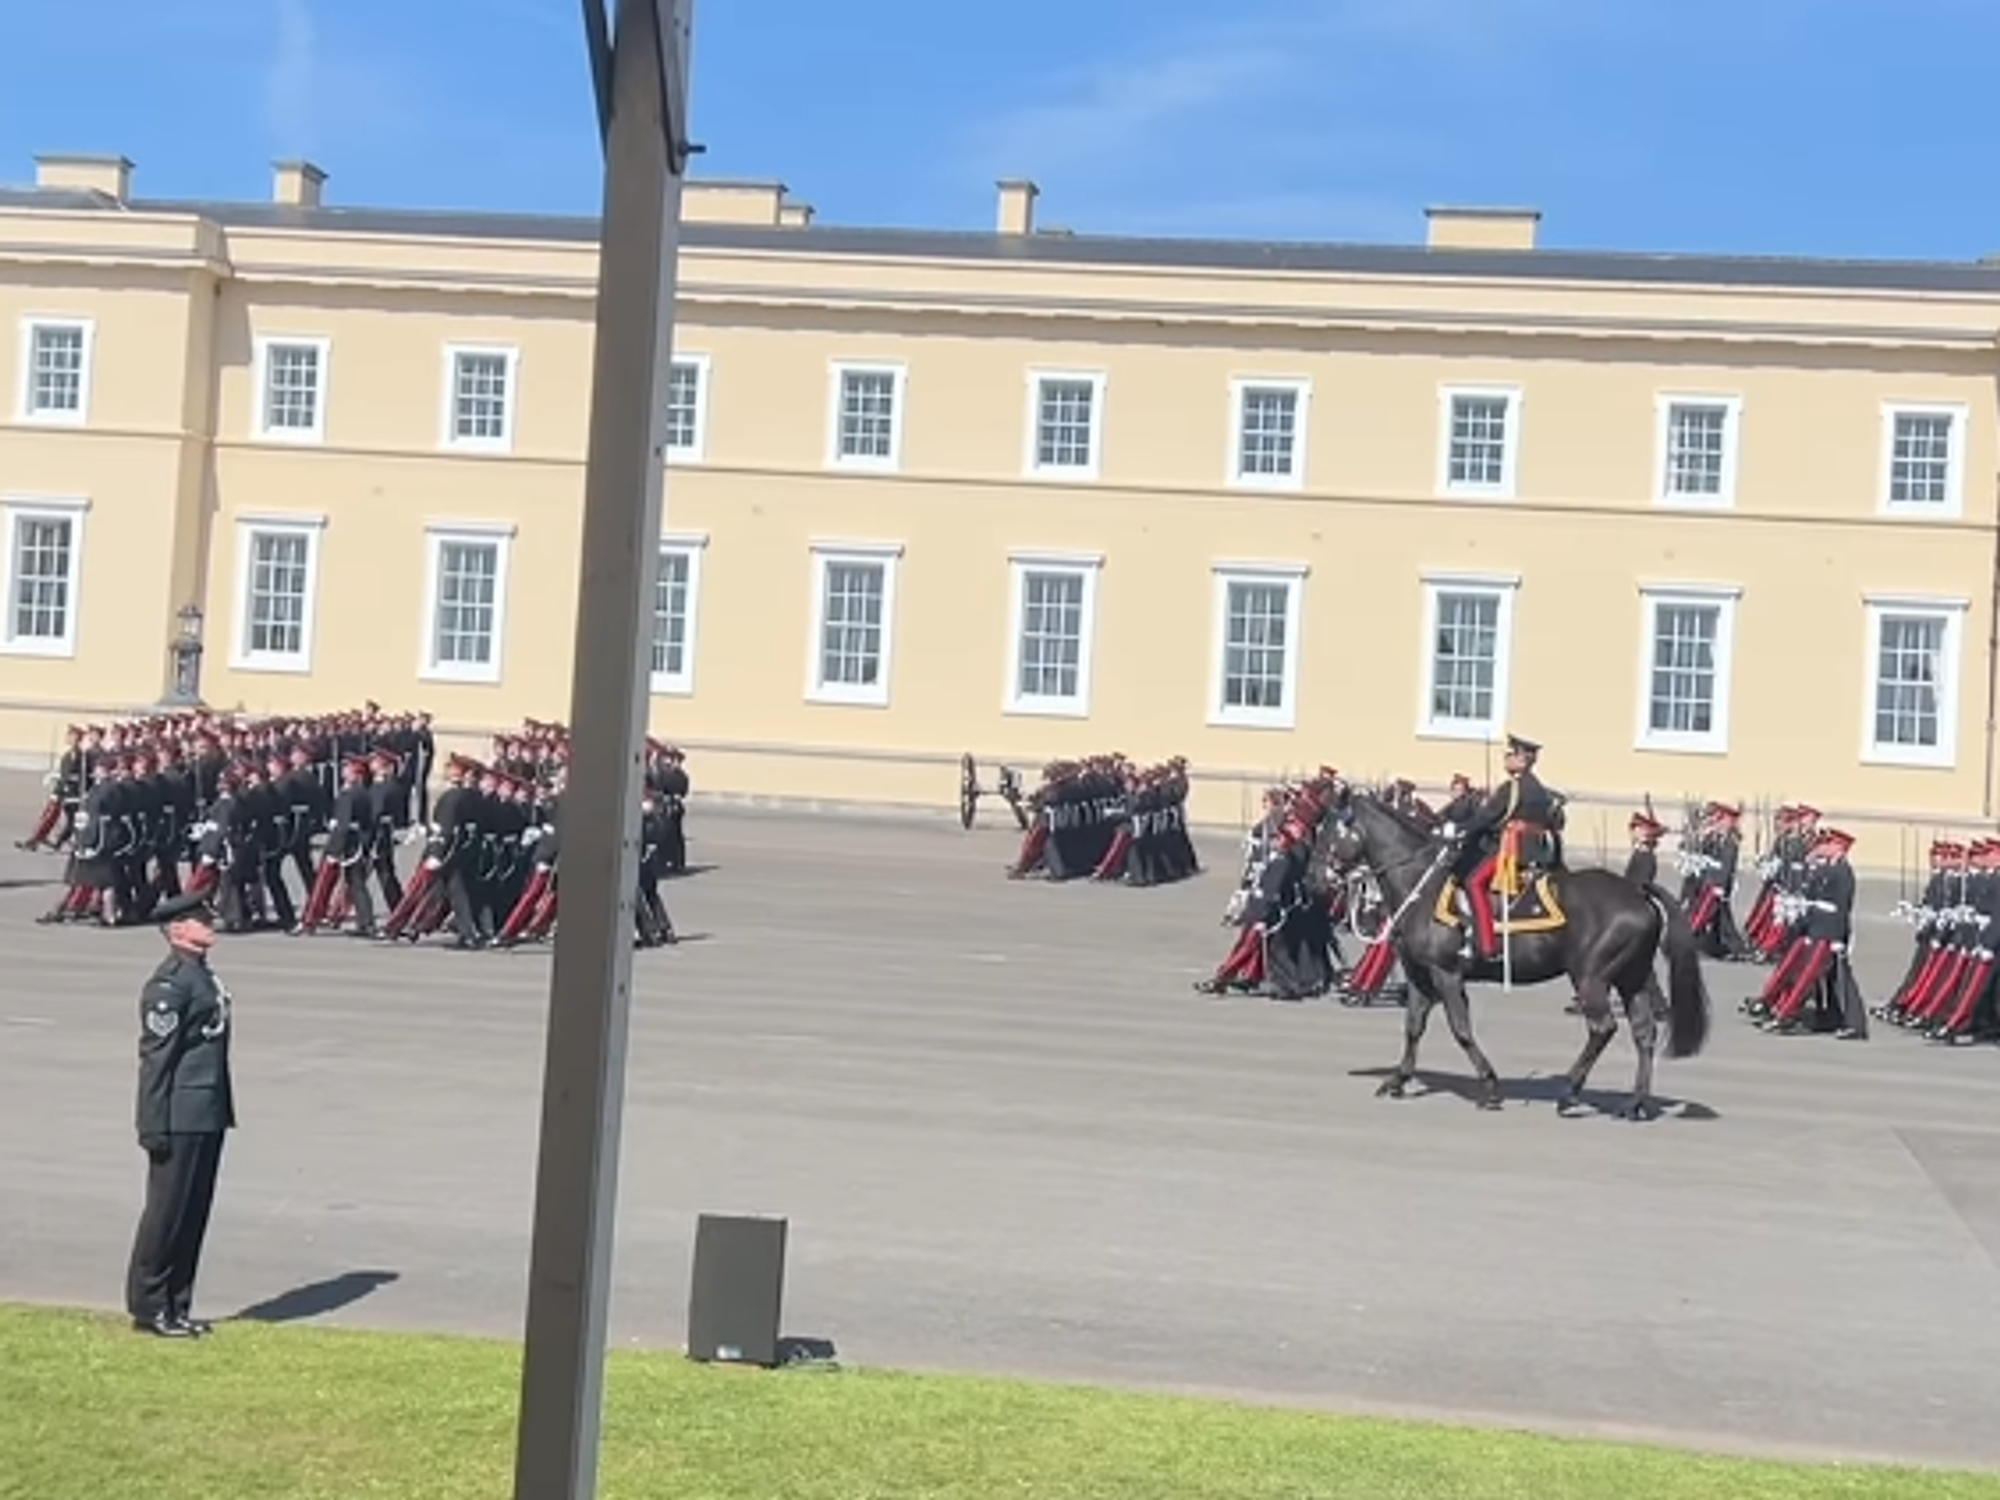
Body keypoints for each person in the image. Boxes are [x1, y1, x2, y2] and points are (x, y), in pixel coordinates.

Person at [125, 890, 236, 1338]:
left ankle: (177, 1303)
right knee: (167, 1213)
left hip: (206, 1110)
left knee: (193, 1213)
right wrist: (151, 1122)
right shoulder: (170, 985)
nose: (209, 924)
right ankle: (150, 1305)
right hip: (178, 1113)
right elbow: (156, 1059)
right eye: (200, 920)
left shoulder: (200, 975)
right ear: (177, 930)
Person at [1445, 733, 1559, 961]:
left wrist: (1459, 830)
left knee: (1474, 882)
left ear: (1522, 760)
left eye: (1511, 754)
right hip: (1537, 850)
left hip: (1514, 850)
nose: (1506, 758)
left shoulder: (1512, 788)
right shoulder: (1540, 789)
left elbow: (1486, 817)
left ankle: (1486, 943)